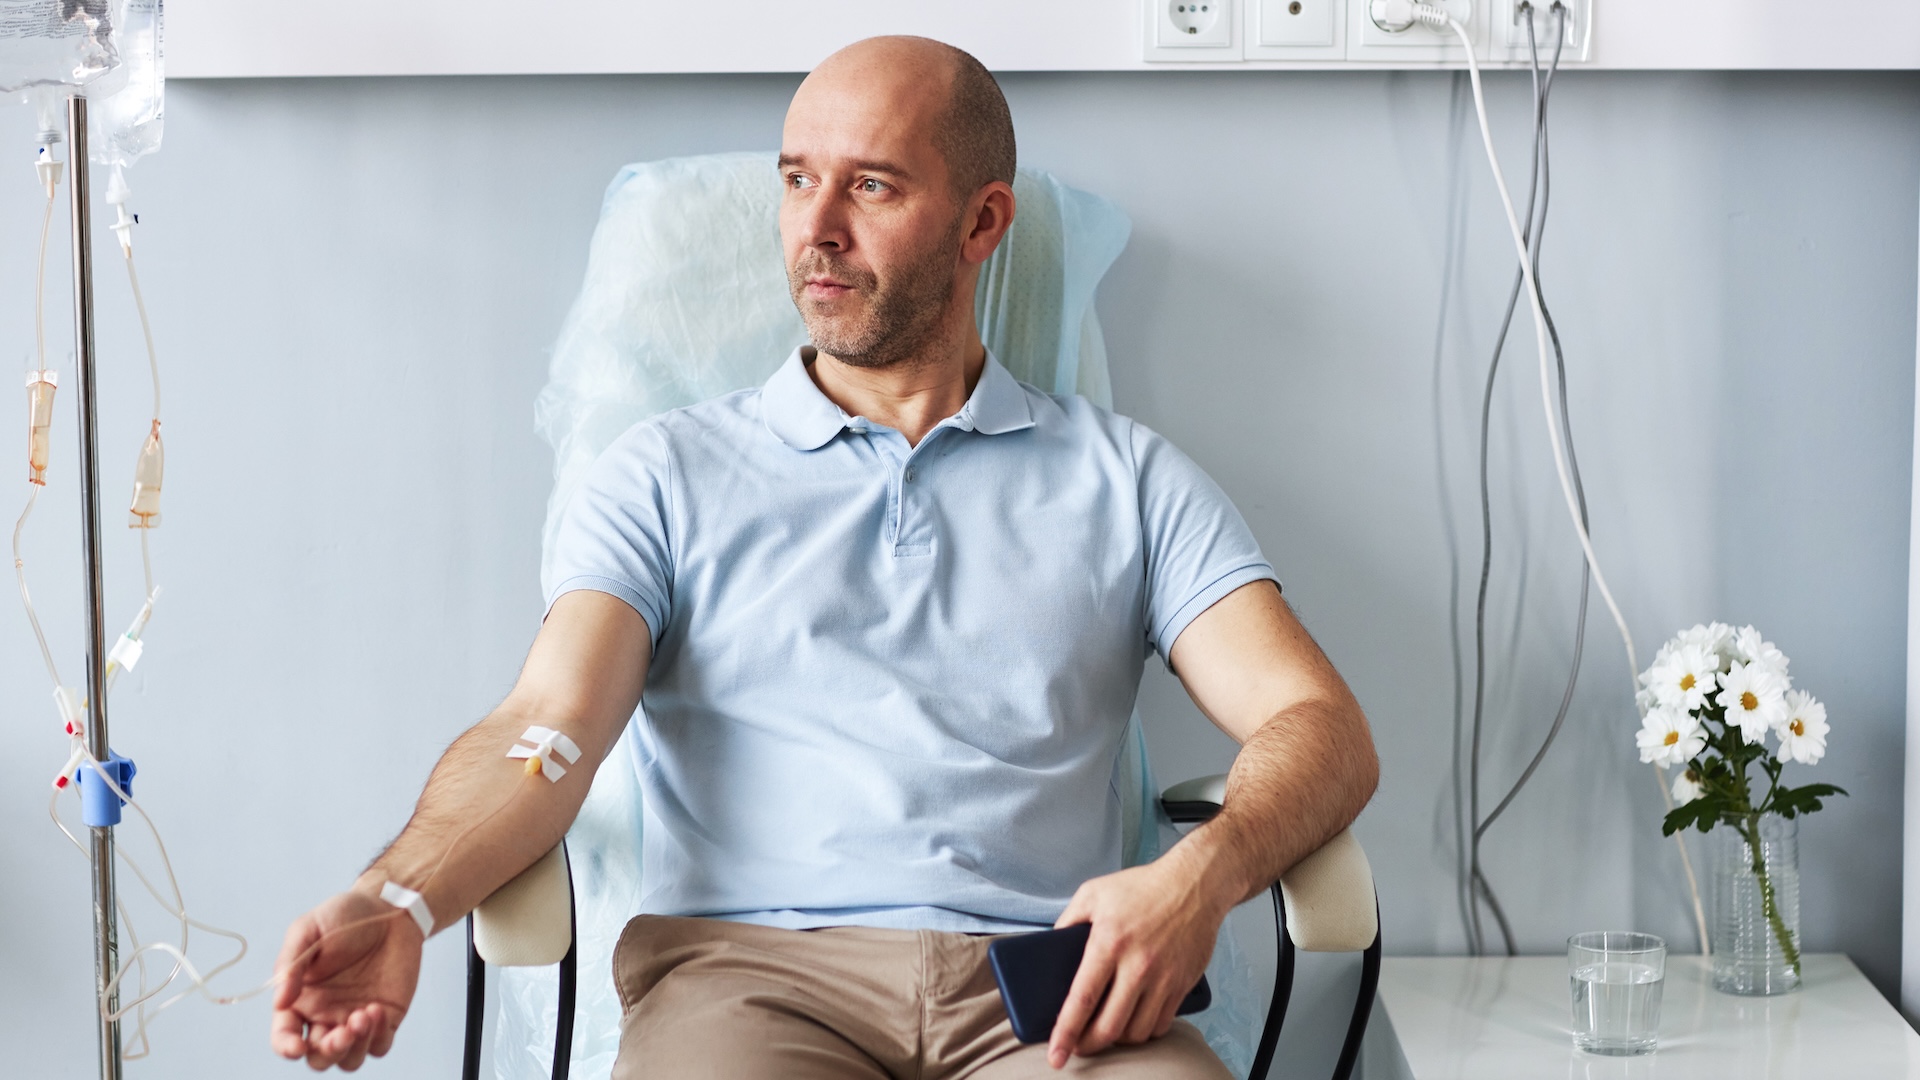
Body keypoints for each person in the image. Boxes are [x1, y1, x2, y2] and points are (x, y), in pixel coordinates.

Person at [270, 34, 1378, 1078]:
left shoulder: (1126, 481)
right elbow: (542, 728)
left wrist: (1200, 875)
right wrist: (399, 899)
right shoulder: (667, 474)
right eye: (799, 179)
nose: (818, 229)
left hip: (1047, 994)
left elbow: (1320, 727)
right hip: (745, 982)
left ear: (982, 221)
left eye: (873, 185)